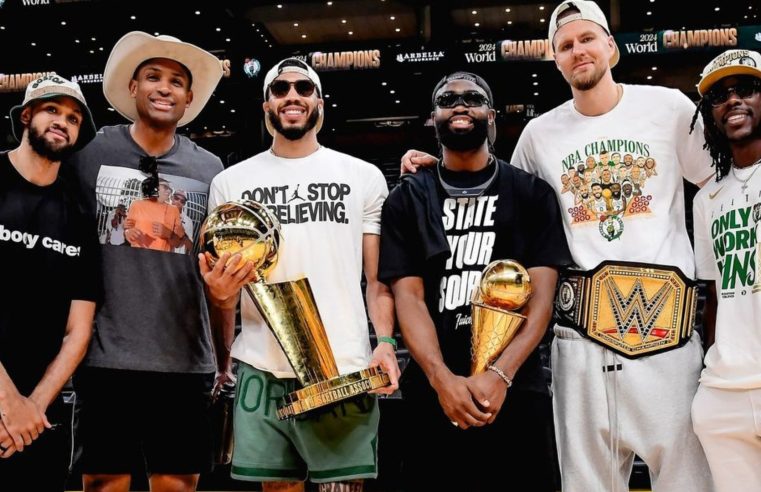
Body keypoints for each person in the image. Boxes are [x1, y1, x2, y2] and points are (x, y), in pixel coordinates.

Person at [400, 1, 715, 490]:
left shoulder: (668, 107)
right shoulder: (538, 134)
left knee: (688, 480)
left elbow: (717, 185)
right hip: (580, 337)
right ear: (555, 58)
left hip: (666, 334)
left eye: (587, 39)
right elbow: (499, 187)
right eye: (566, 45)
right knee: (584, 484)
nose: (578, 51)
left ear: (611, 45)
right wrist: (435, 168)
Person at [200, 58, 401, 492]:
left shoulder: (362, 177)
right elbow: (225, 292)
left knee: (341, 489)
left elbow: (377, 280)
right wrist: (217, 298)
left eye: (304, 89)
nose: (292, 96)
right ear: (266, 105)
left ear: (319, 104)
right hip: (261, 364)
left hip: (342, 364)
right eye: (281, 89)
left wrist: (384, 342)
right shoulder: (231, 183)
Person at [380, 72, 572, 491]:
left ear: (491, 115)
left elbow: (540, 301)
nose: (460, 105)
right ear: (433, 118)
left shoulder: (532, 195)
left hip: (517, 389)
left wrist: (500, 376)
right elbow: (408, 298)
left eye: (473, 98)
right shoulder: (407, 198)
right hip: (432, 392)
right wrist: (441, 379)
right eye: (448, 99)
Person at [65, 32, 224, 492]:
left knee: (177, 483)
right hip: (104, 356)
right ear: (132, 87)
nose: (164, 88)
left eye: (176, 81)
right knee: (102, 482)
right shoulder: (90, 153)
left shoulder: (211, 169)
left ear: (189, 98)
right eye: (152, 76)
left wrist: (222, 355)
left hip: (184, 359)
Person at [0, 74, 99, 490]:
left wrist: (32, 408)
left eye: (74, 118)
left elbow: (79, 329)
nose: (64, 122)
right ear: (26, 116)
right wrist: (7, 401)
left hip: (38, 419)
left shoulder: (78, 210)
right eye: (53, 110)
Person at [690, 48, 761, 492]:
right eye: (719, 95)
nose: (732, 100)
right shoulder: (706, 200)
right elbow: (714, 294)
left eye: (747, 89)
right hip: (724, 392)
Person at [124, 177, 184, 251]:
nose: (169, 191)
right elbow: (127, 229)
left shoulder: (173, 210)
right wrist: (127, 232)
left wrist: (169, 234)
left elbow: (179, 243)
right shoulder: (136, 205)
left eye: (170, 189)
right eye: (165, 187)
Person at [171, 189, 194, 254]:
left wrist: (183, 235)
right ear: (172, 198)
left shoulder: (188, 221)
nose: (178, 202)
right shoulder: (163, 213)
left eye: (182, 201)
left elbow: (190, 247)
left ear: (184, 204)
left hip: (177, 259)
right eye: (176, 198)